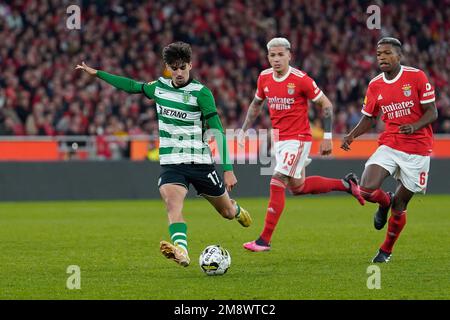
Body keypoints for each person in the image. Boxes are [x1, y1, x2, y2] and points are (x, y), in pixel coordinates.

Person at [76, 41, 252, 267]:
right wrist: (97, 73)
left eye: (182, 67)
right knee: (172, 204)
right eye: (173, 68)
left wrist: (228, 169)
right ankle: (182, 252)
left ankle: (237, 210)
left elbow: (217, 131)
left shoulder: (201, 93)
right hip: (172, 163)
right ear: (167, 67)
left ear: (190, 65)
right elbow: (132, 86)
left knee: (226, 212)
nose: (178, 72)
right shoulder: (159, 87)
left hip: (200, 162)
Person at [239, 37, 365, 252]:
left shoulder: (301, 79)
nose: (276, 59)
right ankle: (346, 184)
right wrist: (243, 130)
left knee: (277, 179)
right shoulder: (264, 78)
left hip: (298, 139)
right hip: (281, 140)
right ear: (267, 57)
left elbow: (326, 104)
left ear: (290, 55)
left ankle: (264, 240)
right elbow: (256, 104)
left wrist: (326, 137)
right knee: (298, 187)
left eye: (281, 55)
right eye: (272, 55)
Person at [341, 37, 438, 263]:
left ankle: (386, 249)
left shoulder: (416, 76)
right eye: (378, 54)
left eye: (387, 53)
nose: (382, 57)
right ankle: (384, 202)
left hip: (418, 149)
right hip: (390, 144)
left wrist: (414, 126)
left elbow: (432, 112)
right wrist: (352, 135)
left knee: (400, 205)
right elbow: (369, 119)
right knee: (365, 189)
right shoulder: (375, 84)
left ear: (399, 56)